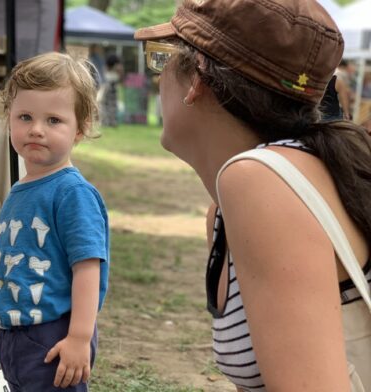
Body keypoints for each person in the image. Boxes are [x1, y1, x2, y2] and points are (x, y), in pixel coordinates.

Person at [134, 0, 371, 391]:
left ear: (197, 80)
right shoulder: (228, 209)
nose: (158, 79)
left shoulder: (260, 182)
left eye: (162, 60)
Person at [0, 51, 110, 391]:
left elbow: (87, 268)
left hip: (54, 337)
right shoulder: (21, 189)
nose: (36, 130)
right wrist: (7, 332)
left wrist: (79, 338)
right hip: (20, 339)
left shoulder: (71, 193)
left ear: (79, 130)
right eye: (25, 116)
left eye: (53, 120)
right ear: (8, 119)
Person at [100, 54, 123, 127]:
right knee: (111, 105)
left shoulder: (106, 68)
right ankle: (111, 121)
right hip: (112, 87)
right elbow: (120, 78)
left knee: (106, 105)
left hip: (108, 87)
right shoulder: (116, 69)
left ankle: (107, 121)